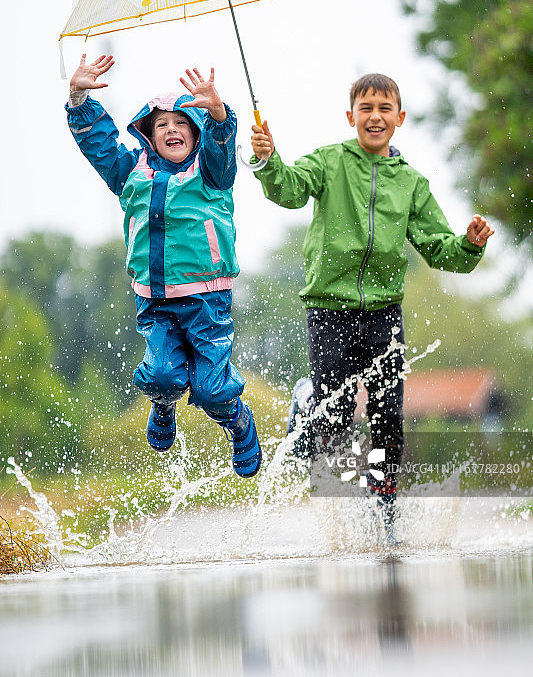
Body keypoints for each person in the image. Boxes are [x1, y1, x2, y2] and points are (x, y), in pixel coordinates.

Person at [250, 72, 494, 535]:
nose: (375, 117)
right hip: (329, 308)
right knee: (337, 416)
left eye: (385, 109)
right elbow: (287, 188)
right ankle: (308, 405)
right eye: (366, 109)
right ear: (351, 117)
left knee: (388, 419)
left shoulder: (411, 185)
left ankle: (384, 511)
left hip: (384, 313)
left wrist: (468, 243)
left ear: (399, 118)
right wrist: (267, 160)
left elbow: (439, 247)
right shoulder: (331, 162)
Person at [65, 54, 261, 478]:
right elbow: (98, 143)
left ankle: (239, 422)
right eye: (161, 124)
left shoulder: (211, 173)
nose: (171, 129)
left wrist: (219, 114)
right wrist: (79, 98)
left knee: (212, 391)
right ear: (149, 136)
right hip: (155, 301)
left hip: (207, 301)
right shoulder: (129, 171)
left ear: (195, 132)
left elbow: (223, 146)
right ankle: (164, 404)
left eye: (181, 123)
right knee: (160, 376)